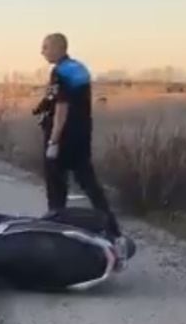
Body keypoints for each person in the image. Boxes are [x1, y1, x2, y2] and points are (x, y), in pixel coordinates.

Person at [34, 33, 122, 236]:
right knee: (89, 182)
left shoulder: (60, 71)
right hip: (82, 133)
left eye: (46, 47)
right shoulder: (79, 68)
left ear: (58, 48)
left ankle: (56, 229)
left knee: (56, 186)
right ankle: (112, 229)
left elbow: (62, 107)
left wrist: (53, 141)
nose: (42, 52)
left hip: (63, 136)